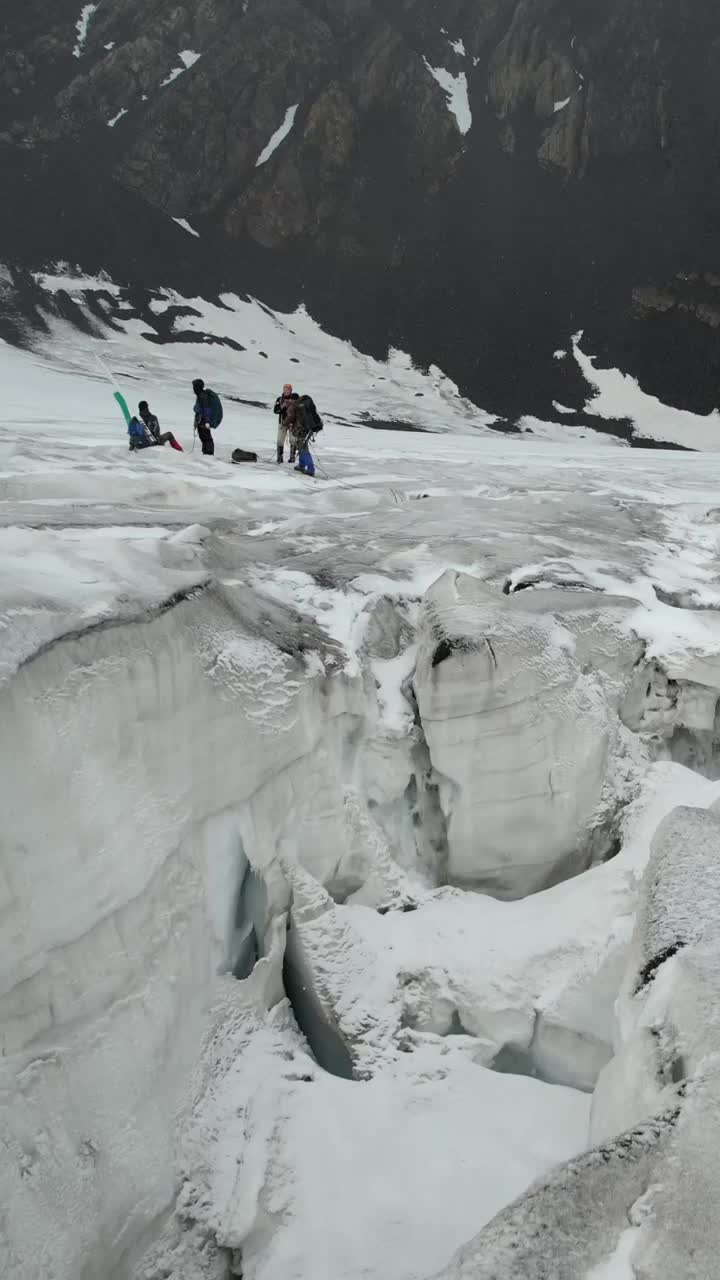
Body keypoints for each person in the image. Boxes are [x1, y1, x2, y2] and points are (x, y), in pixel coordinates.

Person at [290, 394, 323, 476]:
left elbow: (294, 419)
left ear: (294, 400)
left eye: (291, 400)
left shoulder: (297, 407)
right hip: (309, 428)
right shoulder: (303, 406)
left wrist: (285, 423)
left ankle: (310, 468)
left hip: (303, 430)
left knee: (304, 448)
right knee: (301, 447)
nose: (290, 401)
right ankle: (301, 465)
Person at [192, 378, 223, 455]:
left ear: (198, 387)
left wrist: (207, 421)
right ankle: (206, 452)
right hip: (201, 419)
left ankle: (209, 453)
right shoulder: (200, 395)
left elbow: (206, 409)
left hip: (203, 420)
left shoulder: (203, 396)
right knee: (203, 436)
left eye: (195, 386)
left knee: (206, 437)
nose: (193, 388)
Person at [273, 383, 299, 463]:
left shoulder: (295, 398)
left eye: (288, 389)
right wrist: (282, 407)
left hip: (292, 423)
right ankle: (279, 457)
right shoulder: (279, 399)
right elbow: (275, 411)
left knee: (293, 440)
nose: (286, 390)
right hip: (282, 422)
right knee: (280, 440)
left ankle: (292, 457)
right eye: (285, 389)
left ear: (291, 390)